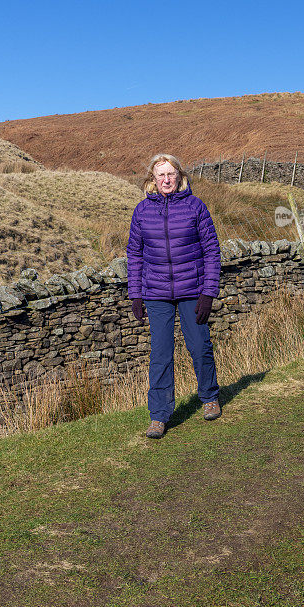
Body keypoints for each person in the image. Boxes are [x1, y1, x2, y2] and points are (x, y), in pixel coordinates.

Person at [126, 153, 222, 439]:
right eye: (160, 175)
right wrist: (136, 295)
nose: (166, 180)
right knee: (161, 354)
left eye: (170, 174)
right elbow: (134, 255)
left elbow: (212, 251)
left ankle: (209, 399)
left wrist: (208, 293)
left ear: (179, 176)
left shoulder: (196, 207)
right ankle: (158, 416)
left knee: (199, 347)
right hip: (156, 293)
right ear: (153, 180)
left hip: (193, 290)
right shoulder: (142, 211)